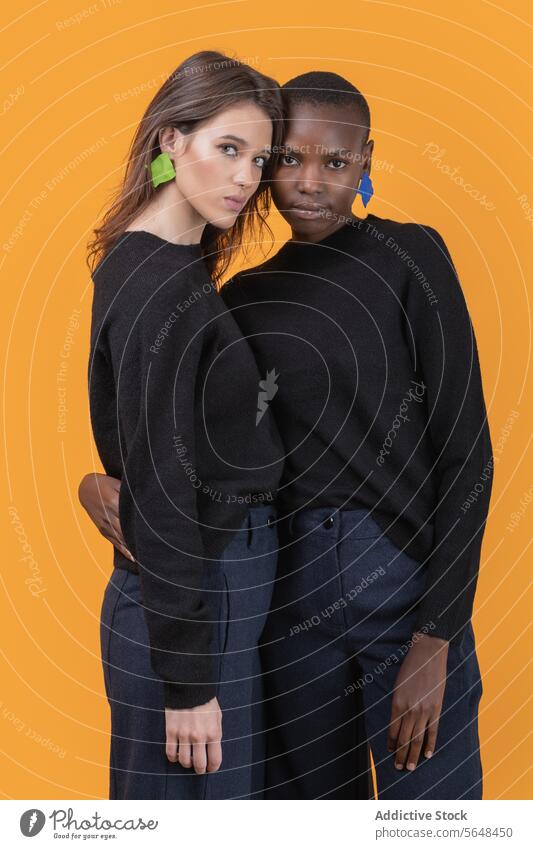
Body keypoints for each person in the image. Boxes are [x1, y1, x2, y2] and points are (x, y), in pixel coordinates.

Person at [83, 69, 493, 800]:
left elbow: (467, 453)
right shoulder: (236, 296)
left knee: (437, 817)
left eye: (334, 162)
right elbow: (191, 434)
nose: (307, 182)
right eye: (285, 160)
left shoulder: (411, 259)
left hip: (397, 582)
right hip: (284, 590)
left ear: (365, 160)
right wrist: (97, 481)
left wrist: (437, 636)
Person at [83, 50, 290, 800]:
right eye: (227, 148)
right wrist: (189, 681)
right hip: (198, 589)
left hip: (211, 585)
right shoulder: (153, 282)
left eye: (258, 158)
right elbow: (164, 479)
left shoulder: (164, 265)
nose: (245, 177)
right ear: (171, 140)